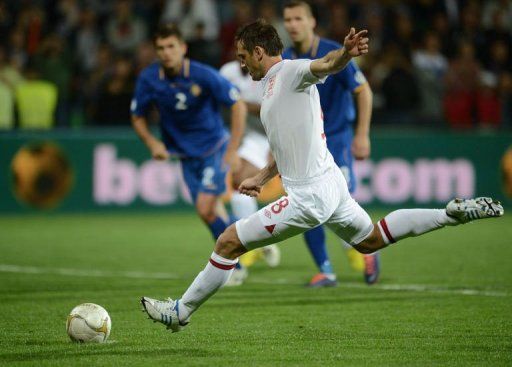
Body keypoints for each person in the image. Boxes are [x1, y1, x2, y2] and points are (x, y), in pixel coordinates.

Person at [140, 20, 504, 332]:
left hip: (309, 196)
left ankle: (180, 312)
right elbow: (288, 145)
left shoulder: (291, 72)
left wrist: (345, 54)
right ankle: (450, 213)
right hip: (330, 184)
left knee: (228, 241)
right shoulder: (269, 88)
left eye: (242, 56)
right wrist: (264, 176)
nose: (240, 63)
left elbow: (327, 64)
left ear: (260, 52)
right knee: (370, 240)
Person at [282, 1, 379, 287]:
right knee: (303, 206)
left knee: (341, 204)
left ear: (312, 22)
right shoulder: (285, 58)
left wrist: (362, 135)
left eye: (298, 18)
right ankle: (325, 270)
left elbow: (363, 91)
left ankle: (369, 247)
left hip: (336, 139)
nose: (292, 24)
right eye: (288, 19)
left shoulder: (333, 51)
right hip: (306, 146)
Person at [131, 24, 247, 261]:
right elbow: (137, 115)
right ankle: (252, 239)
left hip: (214, 148)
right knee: (212, 212)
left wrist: (233, 150)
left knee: (205, 209)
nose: (166, 52)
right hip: (185, 155)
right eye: (160, 48)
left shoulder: (202, 74)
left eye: (171, 46)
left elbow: (238, 105)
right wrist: (152, 143)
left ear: (183, 48)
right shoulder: (149, 78)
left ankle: (234, 266)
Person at [220, 59, 281, 280]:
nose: (241, 57)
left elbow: (273, 109)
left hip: (265, 136)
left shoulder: (270, 73)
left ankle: (254, 241)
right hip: (239, 134)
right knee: (238, 186)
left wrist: (239, 104)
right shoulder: (228, 71)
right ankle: (257, 242)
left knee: (242, 182)